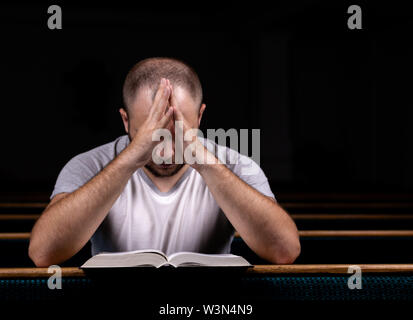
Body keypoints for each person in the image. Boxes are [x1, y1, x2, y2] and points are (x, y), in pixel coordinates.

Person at [29, 57, 300, 267]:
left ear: (200, 118)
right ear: (125, 121)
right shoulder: (88, 164)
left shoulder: (236, 164)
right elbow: (43, 253)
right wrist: (131, 158)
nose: (167, 154)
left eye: (180, 135)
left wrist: (204, 161)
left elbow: (284, 250)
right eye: (152, 136)